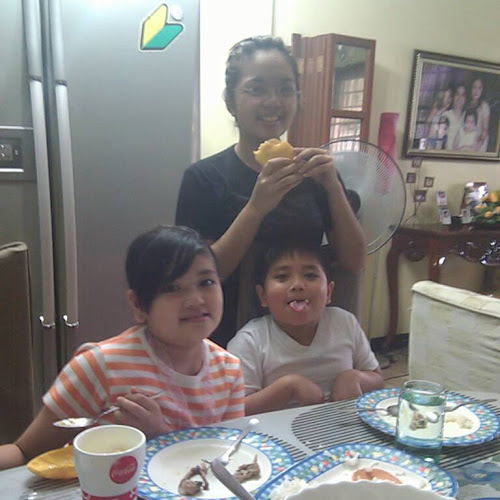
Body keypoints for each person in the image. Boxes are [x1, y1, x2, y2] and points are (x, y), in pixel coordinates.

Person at [0, 225, 245, 470]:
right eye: (172, 288)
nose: (196, 300)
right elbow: (26, 451)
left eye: (206, 282)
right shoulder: (100, 367)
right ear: (138, 305)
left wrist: (160, 436)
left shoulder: (229, 371)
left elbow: (228, 458)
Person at [176, 36, 366, 348]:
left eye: (285, 89)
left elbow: (354, 261)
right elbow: (202, 276)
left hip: (304, 342)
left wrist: (332, 185)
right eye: (257, 89)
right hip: (228, 342)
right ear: (230, 101)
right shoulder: (204, 178)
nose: (274, 101)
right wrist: (256, 208)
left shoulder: (314, 173)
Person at [227, 242, 384, 415]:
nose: (298, 285)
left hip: (342, 424)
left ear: (329, 292)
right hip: (275, 430)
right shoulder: (250, 341)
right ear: (263, 295)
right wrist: (287, 388)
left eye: (310, 275)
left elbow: (377, 380)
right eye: (282, 277)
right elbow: (234, 409)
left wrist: (355, 378)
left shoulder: (344, 322)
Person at [467, 75, 491, 151]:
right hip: (466, 138)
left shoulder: (484, 106)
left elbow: (485, 129)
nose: (476, 91)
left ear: (482, 90)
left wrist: (477, 146)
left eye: (479, 88)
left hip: (479, 141)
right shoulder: (467, 104)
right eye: (474, 87)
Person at [442, 83, 466, 150]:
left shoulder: (468, 117)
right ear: (453, 97)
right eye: (457, 94)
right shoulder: (446, 115)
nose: (459, 98)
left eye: (463, 95)